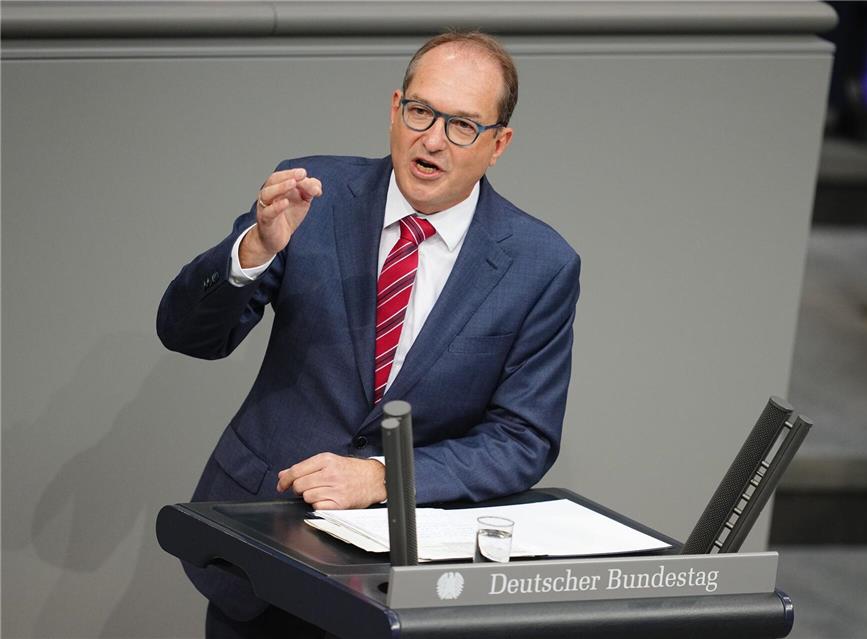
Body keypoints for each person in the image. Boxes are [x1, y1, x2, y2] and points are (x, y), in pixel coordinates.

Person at [157, 30, 580, 636]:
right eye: (420, 111)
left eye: (462, 125)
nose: (431, 139)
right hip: (260, 548)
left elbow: (523, 438)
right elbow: (186, 334)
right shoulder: (314, 198)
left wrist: (386, 477)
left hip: (401, 575)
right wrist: (250, 250)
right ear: (394, 109)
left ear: (499, 144)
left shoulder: (539, 263)